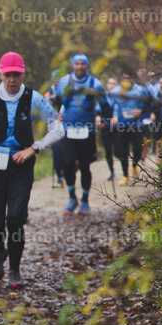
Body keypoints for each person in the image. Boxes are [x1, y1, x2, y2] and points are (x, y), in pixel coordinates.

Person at [0, 52, 63, 287]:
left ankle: (15, 270)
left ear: (23, 74)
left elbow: (58, 128)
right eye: (8, 75)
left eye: (16, 75)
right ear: (0, 74)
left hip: (21, 162)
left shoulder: (35, 98)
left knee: (15, 219)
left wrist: (34, 148)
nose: (12, 80)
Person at [54, 53, 107, 214]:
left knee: (85, 166)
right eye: (77, 64)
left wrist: (103, 118)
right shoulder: (64, 81)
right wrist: (56, 115)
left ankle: (84, 200)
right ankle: (72, 198)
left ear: (87, 66)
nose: (79, 67)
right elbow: (57, 101)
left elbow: (105, 104)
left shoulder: (96, 84)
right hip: (68, 130)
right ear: (72, 66)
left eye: (82, 64)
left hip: (87, 131)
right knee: (68, 164)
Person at [110, 69, 151, 186]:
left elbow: (148, 105)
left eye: (129, 78)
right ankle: (125, 175)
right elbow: (113, 107)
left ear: (133, 79)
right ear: (121, 79)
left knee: (138, 149)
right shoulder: (116, 92)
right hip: (122, 125)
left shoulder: (140, 91)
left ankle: (134, 165)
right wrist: (113, 117)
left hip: (137, 125)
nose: (127, 81)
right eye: (125, 78)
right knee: (123, 151)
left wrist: (141, 111)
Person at [99, 77, 119, 181]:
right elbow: (97, 111)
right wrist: (99, 120)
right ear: (107, 85)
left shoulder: (121, 97)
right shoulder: (103, 97)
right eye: (110, 84)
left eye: (114, 83)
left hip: (118, 127)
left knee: (118, 150)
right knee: (108, 150)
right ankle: (112, 172)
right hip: (106, 126)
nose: (112, 86)